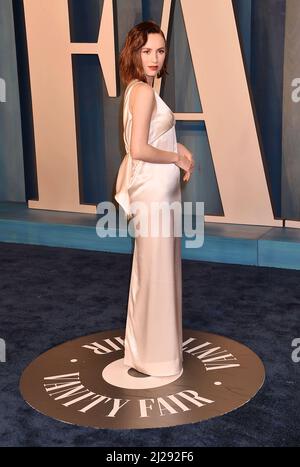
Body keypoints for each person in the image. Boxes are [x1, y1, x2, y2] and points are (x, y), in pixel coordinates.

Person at [115, 20, 194, 377]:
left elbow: (152, 138)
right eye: (147, 50)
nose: (155, 58)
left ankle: (145, 352)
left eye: (160, 51)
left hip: (158, 191)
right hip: (155, 195)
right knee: (156, 274)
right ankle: (156, 358)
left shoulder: (137, 88)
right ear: (134, 52)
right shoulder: (144, 92)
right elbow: (139, 148)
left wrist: (178, 147)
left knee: (153, 273)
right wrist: (176, 158)